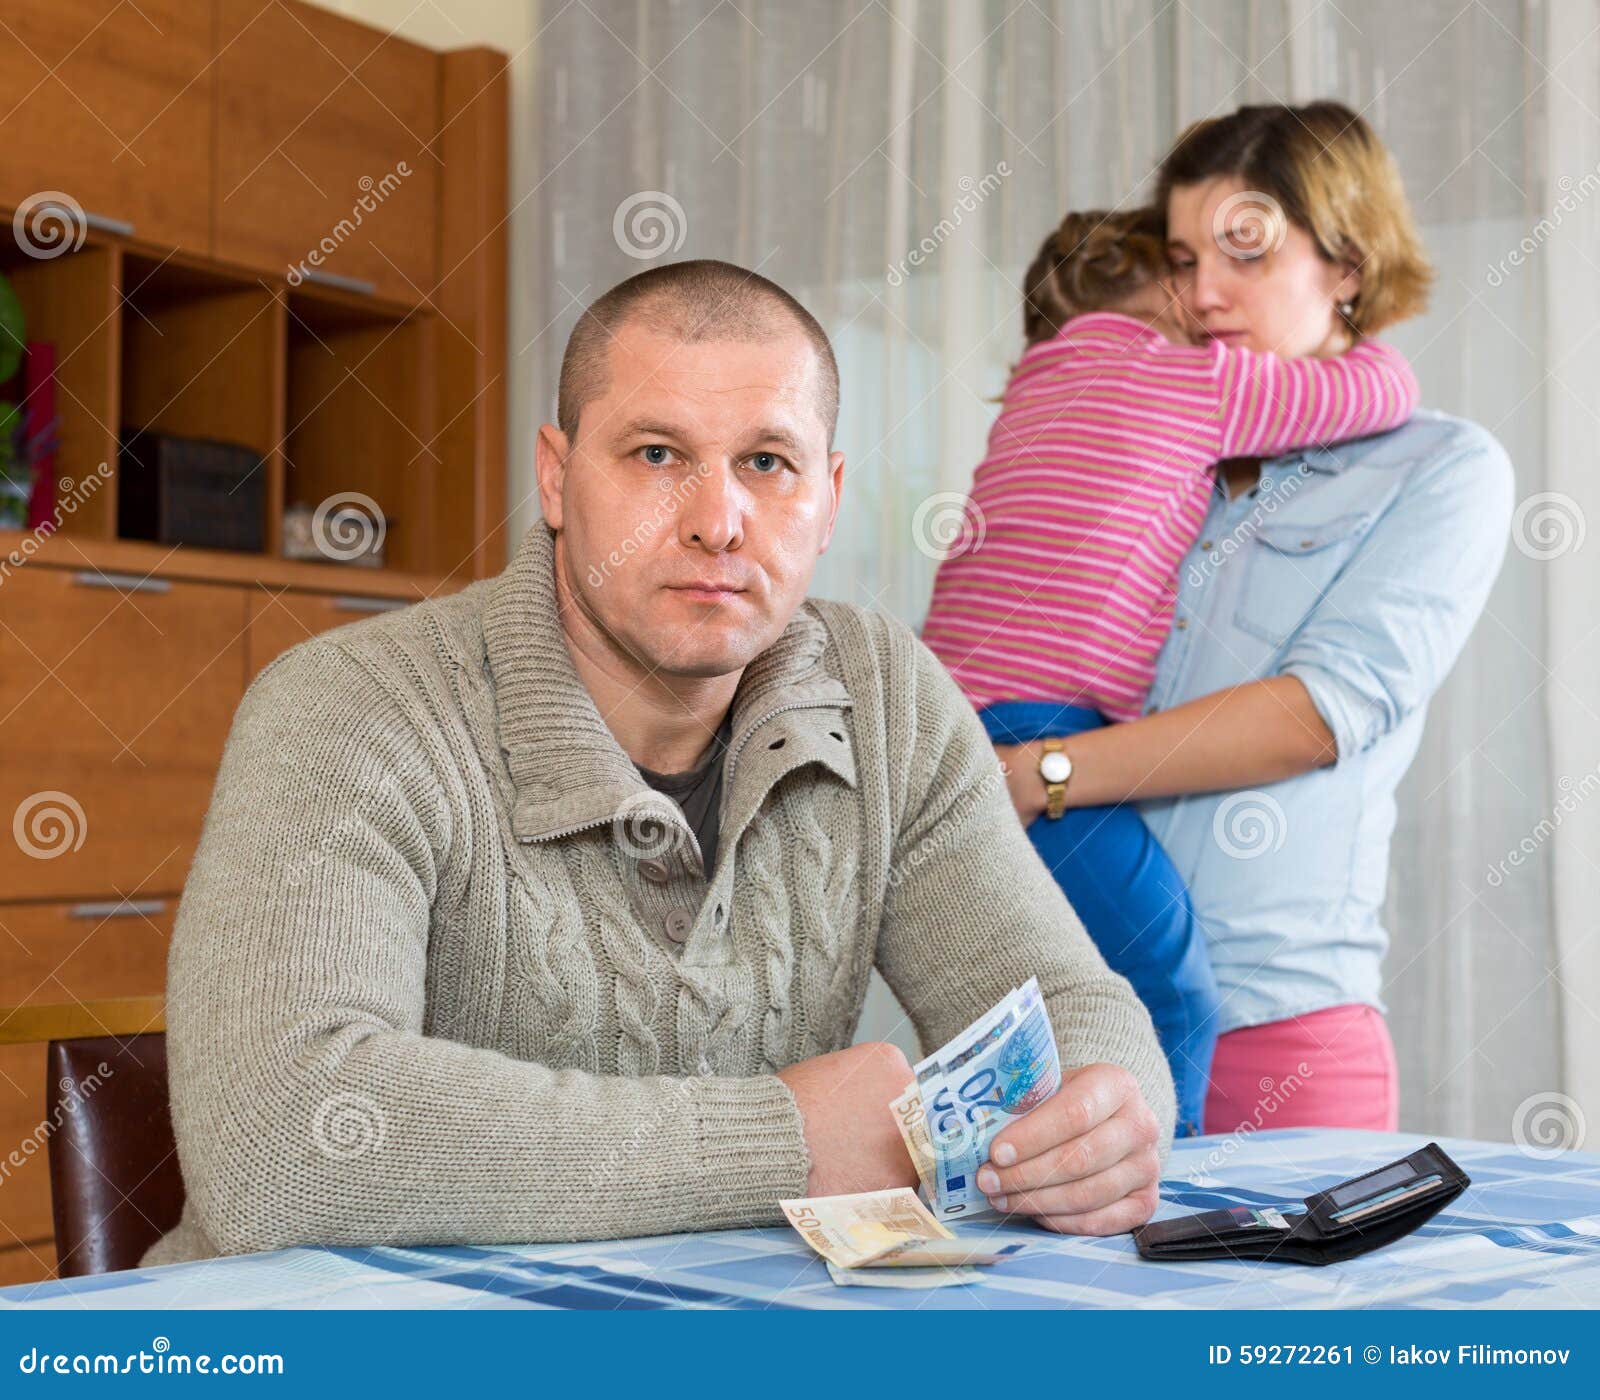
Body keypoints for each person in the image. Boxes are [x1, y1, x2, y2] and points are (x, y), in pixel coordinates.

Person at [141, 259, 1173, 1267]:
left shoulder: (887, 696)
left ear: (829, 496)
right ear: (555, 476)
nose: (715, 520)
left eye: (768, 462)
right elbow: (283, 1139)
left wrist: (1102, 1112)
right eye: (654, 454)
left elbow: (1073, 1007)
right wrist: (781, 1141)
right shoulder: (348, 706)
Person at [989, 102, 1514, 1135]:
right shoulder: (1147, 442)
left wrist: (1034, 775)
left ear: (1348, 263)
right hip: (1060, 1029)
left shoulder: (1441, 467)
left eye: (1244, 250)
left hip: (1272, 1036)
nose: (1202, 291)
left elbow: (1311, 716)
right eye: (1183, 257)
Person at [920, 205, 1419, 1137]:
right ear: (1168, 298)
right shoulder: (1191, 379)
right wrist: (1353, 316)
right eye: (1194, 281)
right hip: (1036, 728)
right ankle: (1163, 1179)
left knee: (1023, 1005)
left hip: (952, 722)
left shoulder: (1038, 380)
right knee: (1168, 985)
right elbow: (1379, 391)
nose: (1214, 301)